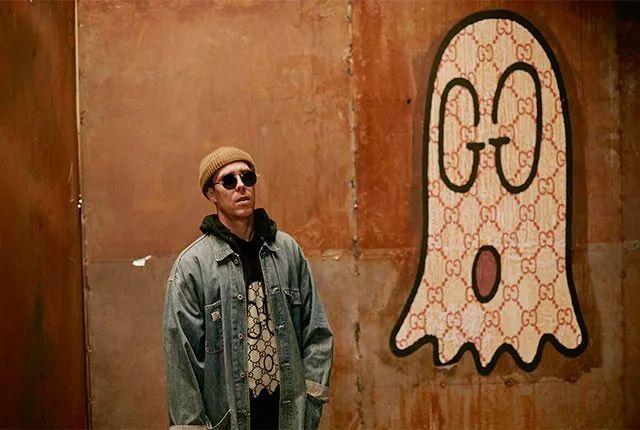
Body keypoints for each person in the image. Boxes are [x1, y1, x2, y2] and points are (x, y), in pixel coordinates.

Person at [163, 146, 333, 430]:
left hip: (288, 417)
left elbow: (317, 332)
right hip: (228, 420)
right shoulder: (193, 267)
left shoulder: (287, 251)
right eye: (229, 180)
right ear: (211, 194)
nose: (241, 186)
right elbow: (183, 364)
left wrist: (312, 400)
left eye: (247, 177)